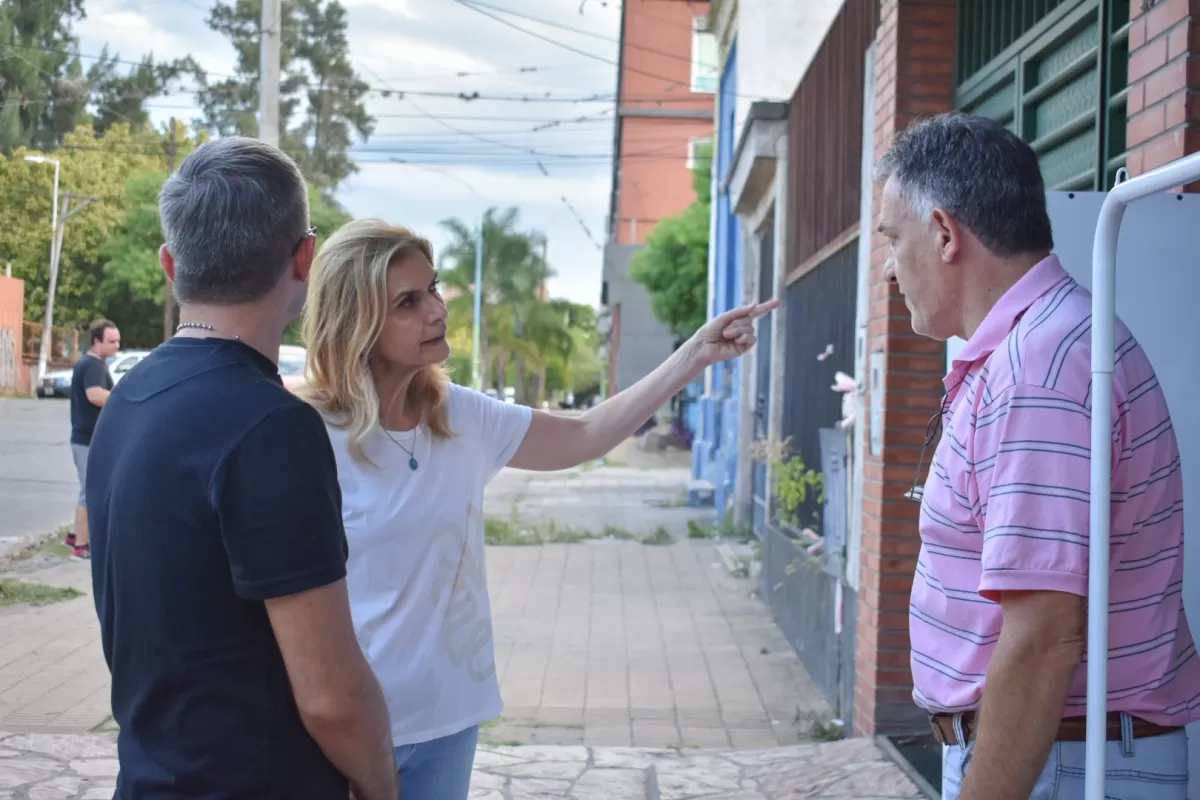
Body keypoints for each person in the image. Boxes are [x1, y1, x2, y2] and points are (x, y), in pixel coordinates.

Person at [298, 219, 776, 800]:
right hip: (346, 734)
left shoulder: (461, 417)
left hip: (449, 719)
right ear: (357, 322)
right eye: (407, 301)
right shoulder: (303, 436)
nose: (436, 310)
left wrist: (693, 356)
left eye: (433, 288)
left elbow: (584, 433)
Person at [875, 111, 1200, 800]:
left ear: (942, 234)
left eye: (892, 239)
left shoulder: (1041, 371)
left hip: (1060, 759)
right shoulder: (1032, 350)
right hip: (1053, 752)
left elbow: (1043, 637)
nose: (888, 267)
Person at [86, 138, 396, 800]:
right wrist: (382, 785)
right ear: (305, 259)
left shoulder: (130, 400)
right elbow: (332, 694)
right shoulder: (270, 426)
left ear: (171, 264)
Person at [66, 318, 120, 560]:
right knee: (89, 492)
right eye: (111, 341)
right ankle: (80, 547)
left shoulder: (94, 363)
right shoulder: (93, 365)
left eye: (118, 341)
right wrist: (122, 399)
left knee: (87, 490)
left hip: (85, 438)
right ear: (96, 341)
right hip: (86, 439)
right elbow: (94, 394)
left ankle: (75, 535)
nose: (117, 345)